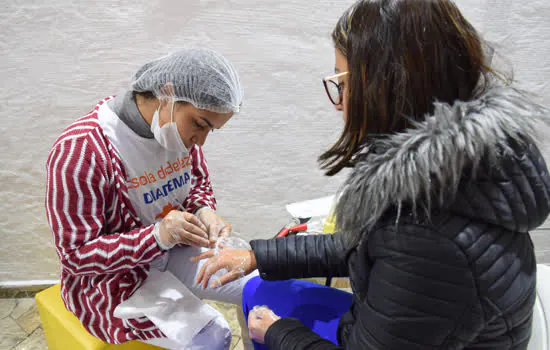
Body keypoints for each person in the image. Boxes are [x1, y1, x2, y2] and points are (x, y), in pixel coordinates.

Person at [192, 1, 550, 349]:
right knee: (260, 287)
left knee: (262, 307)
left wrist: (278, 333)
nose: (339, 103)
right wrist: (259, 256)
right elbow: (364, 246)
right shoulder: (460, 172)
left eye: (343, 84)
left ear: (387, 86)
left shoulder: (425, 234)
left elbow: (395, 249)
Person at [45, 48, 257, 348]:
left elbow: (197, 182)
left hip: (174, 251)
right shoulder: (82, 152)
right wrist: (156, 236)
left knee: (259, 287)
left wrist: (203, 209)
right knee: (212, 337)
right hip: (115, 278)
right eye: (199, 124)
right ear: (166, 94)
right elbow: (76, 255)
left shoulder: (174, 131)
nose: (200, 140)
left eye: (212, 130)